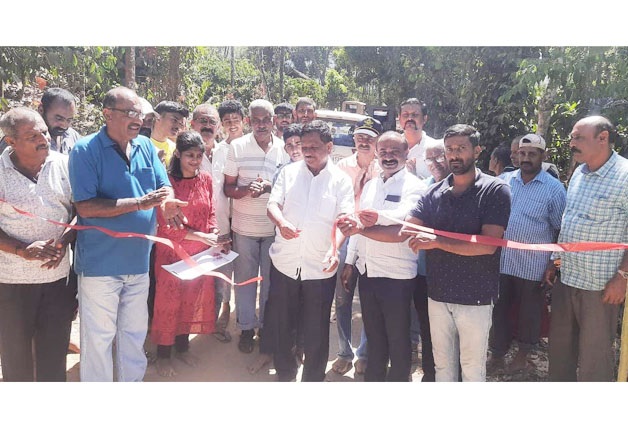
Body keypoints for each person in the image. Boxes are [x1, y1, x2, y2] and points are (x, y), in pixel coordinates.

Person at [68, 86, 188, 382]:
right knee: (99, 338)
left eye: (141, 114)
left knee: (133, 334)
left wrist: (168, 201)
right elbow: (85, 206)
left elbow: (163, 186)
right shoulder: (85, 150)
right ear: (107, 114)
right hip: (100, 266)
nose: (139, 119)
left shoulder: (145, 146)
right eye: (130, 113)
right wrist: (139, 203)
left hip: (138, 262)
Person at [377, 124, 510, 381]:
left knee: (472, 369)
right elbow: (407, 229)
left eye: (461, 148)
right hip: (438, 295)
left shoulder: (495, 190)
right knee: (442, 368)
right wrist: (366, 223)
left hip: (476, 297)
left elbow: (488, 244)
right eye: (449, 149)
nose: (454, 155)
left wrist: (436, 241)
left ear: (477, 151)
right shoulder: (433, 192)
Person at [266, 120, 354, 381]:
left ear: (329, 147)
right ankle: (285, 373)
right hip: (285, 263)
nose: (307, 152)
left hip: (320, 267)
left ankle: (313, 380)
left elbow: (345, 222)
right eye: (304, 147)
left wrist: (335, 249)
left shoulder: (341, 181)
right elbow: (272, 205)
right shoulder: (289, 173)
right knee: (283, 324)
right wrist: (281, 222)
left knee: (316, 329)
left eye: (314, 147)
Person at [337, 131, 427, 381]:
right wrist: (349, 262)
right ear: (376, 153)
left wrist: (377, 217)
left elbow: (406, 217)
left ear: (406, 153)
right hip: (367, 272)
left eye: (394, 152)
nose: (388, 157)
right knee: (375, 337)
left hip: (397, 276)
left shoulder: (416, 186)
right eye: (383, 152)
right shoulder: (371, 185)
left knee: (398, 339)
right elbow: (358, 226)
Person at [545, 116, 628, 381]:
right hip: (567, 278)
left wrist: (623, 276)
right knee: (560, 354)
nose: (571, 143)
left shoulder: (624, 176)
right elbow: (569, 221)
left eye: (578, 137)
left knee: (595, 359)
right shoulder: (579, 173)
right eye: (572, 137)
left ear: (603, 138)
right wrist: (555, 260)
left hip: (600, 287)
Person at [0, 107, 76, 381]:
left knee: (54, 355)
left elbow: (81, 212)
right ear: (11, 141)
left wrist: (63, 242)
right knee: (15, 358)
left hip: (58, 280)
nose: (44, 139)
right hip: (11, 284)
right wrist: (21, 250)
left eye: (44, 132)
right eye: (32, 136)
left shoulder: (64, 165)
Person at [489, 134, 566, 374]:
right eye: (522, 153)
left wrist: (553, 263)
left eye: (532, 154)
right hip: (503, 260)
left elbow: (559, 229)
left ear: (543, 156)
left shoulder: (554, 189)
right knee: (498, 310)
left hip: (534, 264)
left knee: (529, 313)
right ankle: (497, 355)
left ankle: (522, 356)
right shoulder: (504, 181)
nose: (526, 158)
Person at [151, 131, 226, 377]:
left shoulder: (205, 179)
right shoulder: (167, 186)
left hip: (199, 256)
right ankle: (163, 355)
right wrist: (201, 237)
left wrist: (213, 231)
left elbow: (211, 210)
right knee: (168, 304)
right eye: (189, 155)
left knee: (190, 300)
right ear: (178, 155)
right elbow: (165, 227)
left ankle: (182, 348)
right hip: (172, 255)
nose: (195, 160)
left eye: (198, 155)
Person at [223, 99, 289, 373]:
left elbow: (288, 187)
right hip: (244, 229)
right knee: (245, 282)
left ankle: (265, 328)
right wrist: (245, 190)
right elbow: (227, 188)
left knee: (271, 284)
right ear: (249, 121)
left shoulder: (284, 149)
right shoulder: (237, 147)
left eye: (266, 120)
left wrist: (269, 188)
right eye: (256, 120)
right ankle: (246, 329)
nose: (261, 124)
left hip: (273, 230)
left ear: (273, 121)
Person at [331, 117, 383, 376]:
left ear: (377, 142)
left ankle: (364, 353)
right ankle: (344, 352)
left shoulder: (385, 169)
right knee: (342, 297)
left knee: (370, 300)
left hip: (374, 238)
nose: (364, 142)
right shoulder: (341, 167)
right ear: (353, 139)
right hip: (345, 237)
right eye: (360, 137)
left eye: (369, 138)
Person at [208, 99, 247, 344]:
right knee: (223, 271)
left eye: (235, 120)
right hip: (224, 219)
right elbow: (217, 188)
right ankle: (223, 313)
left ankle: (245, 319)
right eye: (227, 121)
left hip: (247, 220)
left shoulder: (251, 146)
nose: (232, 124)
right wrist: (219, 224)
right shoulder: (219, 150)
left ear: (244, 121)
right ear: (221, 125)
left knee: (245, 271)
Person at [399, 98, 437, 179]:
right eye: (405, 115)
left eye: (415, 115)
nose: (410, 119)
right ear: (399, 118)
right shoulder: (390, 147)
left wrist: (414, 177)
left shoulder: (434, 148)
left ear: (424, 119)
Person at [38, 87, 81, 154]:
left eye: (69, 120)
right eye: (59, 119)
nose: (64, 126)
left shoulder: (73, 136)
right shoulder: (30, 140)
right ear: (41, 110)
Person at [150, 101, 189, 167]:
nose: (178, 127)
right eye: (174, 120)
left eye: (180, 123)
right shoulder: (142, 145)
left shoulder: (176, 150)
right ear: (157, 118)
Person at [189, 103, 221, 175]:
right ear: (192, 124)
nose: (207, 126)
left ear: (218, 126)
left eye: (212, 122)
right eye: (203, 121)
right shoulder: (184, 153)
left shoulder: (226, 153)